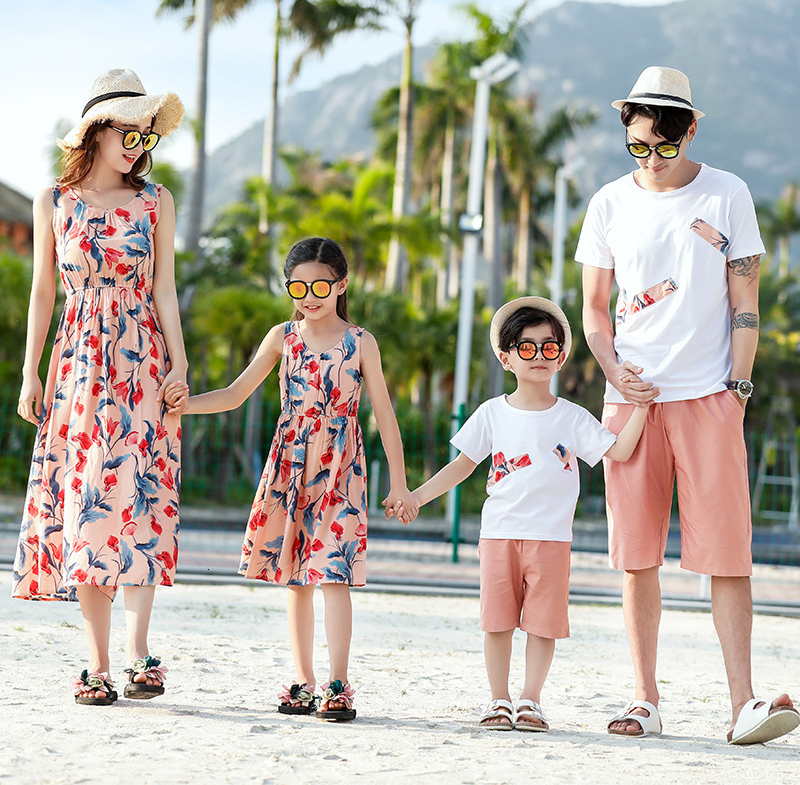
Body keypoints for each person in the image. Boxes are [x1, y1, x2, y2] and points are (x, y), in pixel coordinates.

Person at [576, 65, 800, 744]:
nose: (652, 160)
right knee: (637, 556)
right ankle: (644, 699)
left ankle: (744, 705)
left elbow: (746, 304)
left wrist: (736, 390)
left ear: (690, 130)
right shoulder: (609, 202)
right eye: (639, 147)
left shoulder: (728, 193)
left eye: (665, 147)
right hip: (631, 402)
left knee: (728, 556)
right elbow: (591, 310)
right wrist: (615, 372)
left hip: (710, 398)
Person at [164, 237, 417, 721]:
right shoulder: (283, 337)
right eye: (297, 286)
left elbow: (385, 415)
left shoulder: (360, 342)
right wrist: (182, 405)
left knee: (334, 575)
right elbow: (237, 394)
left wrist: (400, 484)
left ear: (342, 284)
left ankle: (338, 685)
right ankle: (303, 682)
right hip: (290, 466)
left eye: (321, 284)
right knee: (296, 578)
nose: (310, 295)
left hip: (341, 469)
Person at [14, 69, 188, 705]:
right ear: (95, 132)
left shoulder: (156, 201)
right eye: (129, 133)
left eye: (147, 136)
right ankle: (97, 664)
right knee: (89, 502)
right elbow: (42, 293)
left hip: (143, 360)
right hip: (80, 365)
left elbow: (165, 289)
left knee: (140, 498)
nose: (139, 146)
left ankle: (141, 652)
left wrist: (180, 364)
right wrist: (29, 372)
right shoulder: (53, 201)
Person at [400, 297, 649, 732]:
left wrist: (643, 406)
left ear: (561, 356)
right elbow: (462, 465)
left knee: (543, 624)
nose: (538, 356)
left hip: (552, 538)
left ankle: (530, 700)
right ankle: (499, 699)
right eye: (526, 347)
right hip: (498, 534)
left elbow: (620, 450)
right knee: (497, 622)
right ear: (506, 356)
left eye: (548, 347)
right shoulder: (491, 413)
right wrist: (418, 497)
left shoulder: (572, 417)